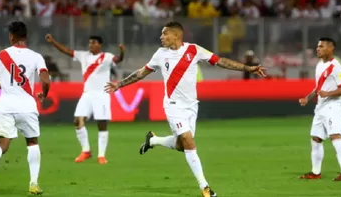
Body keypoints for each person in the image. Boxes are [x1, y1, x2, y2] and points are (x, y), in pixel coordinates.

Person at [105, 21, 266, 197]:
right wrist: (119, 84)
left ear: (176, 35)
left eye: (164, 34)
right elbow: (142, 72)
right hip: (173, 105)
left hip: (191, 106)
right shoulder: (160, 54)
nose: (161, 37)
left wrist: (247, 68)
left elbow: (220, 61)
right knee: (189, 141)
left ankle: (153, 141)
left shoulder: (194, 50)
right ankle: (205, 187)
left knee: (183, 146)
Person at [0, 21, 50, 195]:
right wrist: (44, 93)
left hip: (6, 106)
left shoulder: (2, 55)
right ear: (26, 36)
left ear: (11, 36)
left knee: (2, 144)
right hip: (27, 106)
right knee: (32, 142)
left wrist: (6, 85)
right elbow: (45, 79)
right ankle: (33, 184)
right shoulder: (36, 56)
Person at [45, 34, 124, 164]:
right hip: (87, 94)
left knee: (102, 124)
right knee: (77, 121)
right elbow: (66, 51)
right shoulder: (83, 55)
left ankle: (101, 155)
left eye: (93, 43)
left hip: (102, 94)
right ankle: (86, 151)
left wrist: (122, 51)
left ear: (99, 45)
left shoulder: (107, 57)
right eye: (89, 43)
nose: (90, 45)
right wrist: (53, 41)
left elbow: (119, 59)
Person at [299, 37, 341, 181]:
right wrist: (307, 98)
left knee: (335, 136)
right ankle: (315, 173)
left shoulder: (337, 67)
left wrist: (328, 94)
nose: (318, 49)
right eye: (318, 46)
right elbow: (318, 88)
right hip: (320, 108)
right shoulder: (319, 66)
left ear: (330, 48)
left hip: (333, 107)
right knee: (316, 139)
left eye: (321, 46)